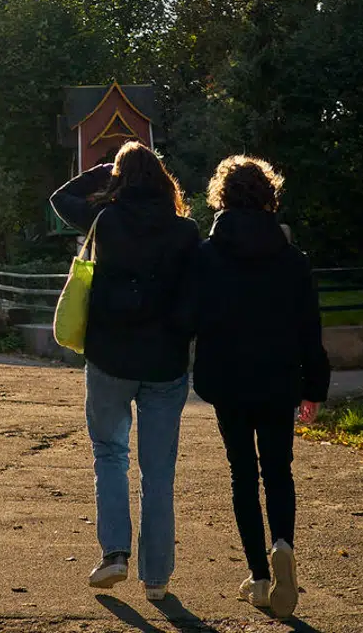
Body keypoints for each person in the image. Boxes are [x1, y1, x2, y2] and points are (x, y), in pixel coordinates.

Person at [48, 141, 201, 603]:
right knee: (158, 472)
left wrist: (105, 171)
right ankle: (157, 578)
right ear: (163, 181)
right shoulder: (186, 231)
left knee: (110, 454)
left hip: (110, 357)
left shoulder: (105, 220)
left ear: (120, 179)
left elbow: (60, 198)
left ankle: (114, 554)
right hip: (165, 363)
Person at [182, 155, 329, 619]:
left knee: (242, 474)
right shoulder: (292, 260)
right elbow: (310, 328)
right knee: (279, 470)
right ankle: (282, 543)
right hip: (279, 378)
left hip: (227, 379)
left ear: (221, 197)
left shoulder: (205, 256)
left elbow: (190, 317)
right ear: (269, 197)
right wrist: (314, 388)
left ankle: (259, 577)